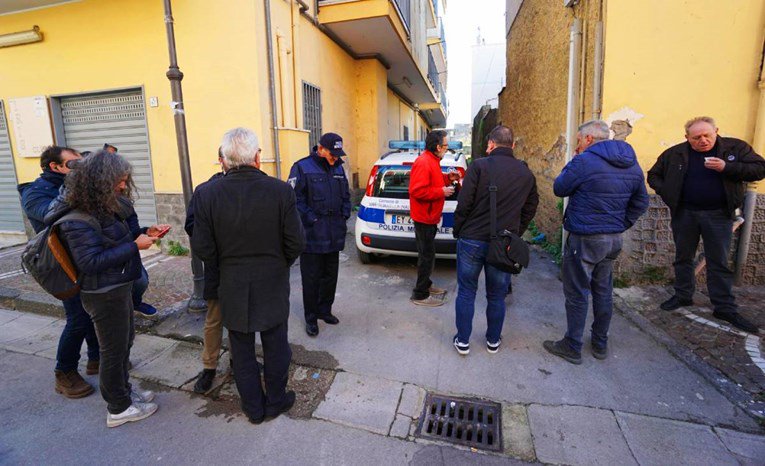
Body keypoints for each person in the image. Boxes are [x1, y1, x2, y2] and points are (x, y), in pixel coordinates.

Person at [193, 128, 304, 424]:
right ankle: (276, 401)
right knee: (276, 345)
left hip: (232, 282)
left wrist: (226, 265)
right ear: (257, 156)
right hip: (272, 281)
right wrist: (278, 265)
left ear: (225, 159)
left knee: (241, 349)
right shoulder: (280, 191)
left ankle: (253, 408)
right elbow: (295, 242)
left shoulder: (207, 194)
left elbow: (203, 247)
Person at [58, 150, 159, 427]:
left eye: (125, 180)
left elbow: (116, 239)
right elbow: (90, 262)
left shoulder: (102, 207)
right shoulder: (78, 218)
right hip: (102, 293)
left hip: (118, 286)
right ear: (99, 181)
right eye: (119, 181)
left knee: (124, 344)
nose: (124, 186)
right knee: (113, 351)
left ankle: (124, 393)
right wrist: (134, 246)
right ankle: (118, 408)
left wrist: (146, 232)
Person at [543, 120, 649, 364]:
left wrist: (573, 161)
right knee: (603, 291)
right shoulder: (631, 163)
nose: (578, 144)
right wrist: (621, 224)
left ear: (588, 138)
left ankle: (572, 345)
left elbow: (560, 188)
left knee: (577, 291)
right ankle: (600, 343)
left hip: (585, 238)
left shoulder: (584, 161)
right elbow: (641, 202)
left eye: (579, 140)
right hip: (613, 239)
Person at [648, 116, 765, 333]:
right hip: (685, 213)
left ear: (716, 131)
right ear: (687, 137)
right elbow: (654, 175)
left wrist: (727, 167)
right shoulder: (675, 153)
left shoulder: (735, 148)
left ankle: (724, 307)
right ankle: (683, 295)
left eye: (707, 135)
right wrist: (667, 191)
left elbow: (760, 169)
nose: (702, 140)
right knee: (683, 257)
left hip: (719, 214)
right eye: (696, 137)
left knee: (718, 261)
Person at [17, 145, 99, 398]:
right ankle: (64, 372)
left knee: (92, 312)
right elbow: (50, 215)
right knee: (78, 319)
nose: (79, 168)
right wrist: (75, 185)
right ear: (55, 167)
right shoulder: (34, 193)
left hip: (84, 259)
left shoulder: (75, 187)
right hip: (60, 265)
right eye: (73, 164)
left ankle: (96, 359)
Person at [452, 126, 538, 355]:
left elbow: (464, 203)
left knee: (466, 291)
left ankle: (463, 340)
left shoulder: (478, 166)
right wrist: (515, 231)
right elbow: (531, 206)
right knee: (497, 295)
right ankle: (492, 340)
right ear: (513, 145)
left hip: (472, 239)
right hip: (504, 242)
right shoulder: (525, 173)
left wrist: (458, 230)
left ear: (490, 143)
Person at [288, 133, 351, 337]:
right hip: (313, 235)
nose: (335, 158)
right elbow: (294, 199)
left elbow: (346, 195)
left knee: (330, 276)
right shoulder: (302, 167)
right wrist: (312, 219)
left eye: (337, 154)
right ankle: (311, 318)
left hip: (334, 233)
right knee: (311, 279)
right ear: (321, 149)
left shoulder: (338, 168)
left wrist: (345, 213)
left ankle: (325, 310)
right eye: (332, 154)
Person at [185, 148, 228, 393]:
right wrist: (214, 252)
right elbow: (192, 226)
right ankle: (209, 367)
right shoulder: (205, 190)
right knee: (214, 319)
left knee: (241, 320)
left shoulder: (247, 186)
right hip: (217, 267)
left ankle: (240, 361)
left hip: (242, 269)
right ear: (221, 159)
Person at [409, 130, 461, 306]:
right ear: (438, 147)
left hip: (429, 216)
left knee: (428, 255)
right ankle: (420, 294)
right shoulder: (424, 162)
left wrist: (447, 179)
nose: (447, 149)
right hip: (424, 217)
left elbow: (432, 182)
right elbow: (417, 190)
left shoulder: (432, 161)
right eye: (446, 146)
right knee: (426, 256)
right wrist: (441, 192)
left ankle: (426, 284)